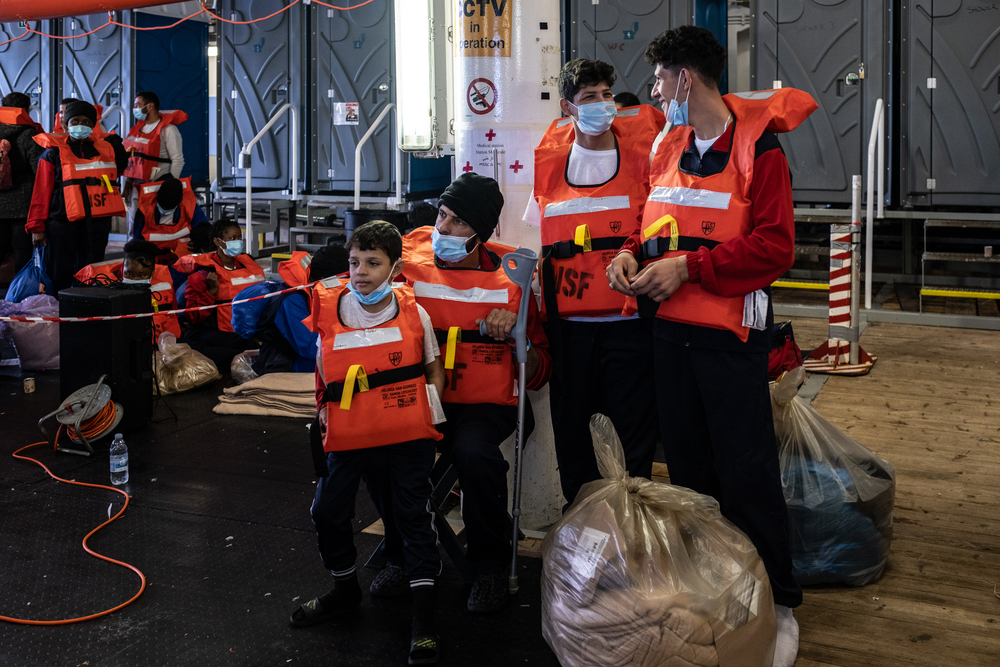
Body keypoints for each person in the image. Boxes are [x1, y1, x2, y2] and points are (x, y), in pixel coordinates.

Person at [606, 26, 817, 667]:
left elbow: (775, 245)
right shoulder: (668, 144)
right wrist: (628, 256)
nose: (653, 93)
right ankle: (712, 587)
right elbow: (652, 224)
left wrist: (689, 269)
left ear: (684, 79)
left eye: (658, 80)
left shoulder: (762, 150)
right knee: (691, 473)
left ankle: (777, 605)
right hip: (671, 335)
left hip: (732, 338)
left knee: (746, 472)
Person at [377, 173, 552, 613]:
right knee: (376, 450)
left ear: (481, 232)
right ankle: (406, 555)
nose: (443, 229)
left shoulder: (515, 277)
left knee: (476, 457)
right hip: (420, 397)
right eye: (441, 215)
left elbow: (540, 370)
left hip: (485, 406)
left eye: (457, 222)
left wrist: (514, 335)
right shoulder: (404, 263)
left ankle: (489, 565)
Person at [291, 221, 445, 666]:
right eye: (354, 262)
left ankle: (423, 619)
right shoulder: (330, 309)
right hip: (350, 436)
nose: (360, 271)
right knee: (326, 510)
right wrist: (322, 420)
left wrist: (434, 425)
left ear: (395, 267)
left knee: (413, 517)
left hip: (408, 436)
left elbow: (433, 368)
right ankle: (344, 590)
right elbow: (325, 375)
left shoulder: (416, 312)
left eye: (373, 263)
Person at [525, 59, 663, 509]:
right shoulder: (550, 164)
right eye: (590, 97)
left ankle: (632, 520)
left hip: (629, 320)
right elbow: (537, 237)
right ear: (568, 107)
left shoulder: (644, 157)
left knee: (633, 430)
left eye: (607, 94)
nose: (603, 104)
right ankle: (581, 522)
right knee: (573, 430)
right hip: (571, 329)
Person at [26, 100, 127, 295]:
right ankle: (58, 314)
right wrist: (36, 227)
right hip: (62, 224)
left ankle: (86, 312)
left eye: (87, 122)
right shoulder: (52, 153)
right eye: (76, 121)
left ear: (93, 125)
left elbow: (118, 172)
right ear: (65, 124)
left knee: (91, 273)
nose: (81, 125)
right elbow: (41, 192)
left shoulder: (107, 150)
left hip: (97, 224)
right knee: (59, 274)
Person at [236, 246, 350, 377]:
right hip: (283, 359)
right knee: (339, 367)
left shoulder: (317, 290)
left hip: (305, 349)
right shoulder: (292, 300)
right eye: (345, 279)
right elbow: (310, 347)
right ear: (325, 278)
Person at [173, 218, 264, 369]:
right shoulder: (202, 275)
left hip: (246, 329)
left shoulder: (249, 266)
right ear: (218, 241)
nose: (238, 242)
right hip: (209, 331)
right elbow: (193, 317)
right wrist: (211, 292)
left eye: (239, 238)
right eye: (232, 238)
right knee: (245, 346)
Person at [74, 239, 181, 342]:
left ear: (152, 271)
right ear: (123, 267)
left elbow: (173, 309)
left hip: (162, 342)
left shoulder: (165, 276)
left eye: (141, 276)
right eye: (129, 274)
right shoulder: (102, 283)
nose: (134, 279)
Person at [122, 91, 186, 237]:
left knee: (155, 227)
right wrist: (127, 186)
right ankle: (133, 256)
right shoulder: (137, 130)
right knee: (133, 227)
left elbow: (178, 160)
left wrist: (170, 188)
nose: (135, 108)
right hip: (137, 188)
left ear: (149, 106)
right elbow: (132, 161)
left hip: (158, 187)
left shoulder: (168, 130)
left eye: (137, 105)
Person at [0, 92, 44, 279]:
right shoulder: (30, 134)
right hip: (23, 206)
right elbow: (40, 170)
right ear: (26, 109)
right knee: (22, 251)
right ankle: (19, 294)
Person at [131, 174, 209, 260]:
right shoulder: (144, 211)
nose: (165, 210)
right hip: (152, 261)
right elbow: (137, 243)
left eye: (169, 208)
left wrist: (196, 245)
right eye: (163, 206)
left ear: (178, 203)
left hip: (184, 260)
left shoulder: (191, 208)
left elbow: (204, 233)